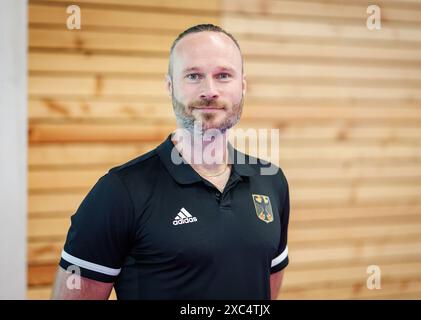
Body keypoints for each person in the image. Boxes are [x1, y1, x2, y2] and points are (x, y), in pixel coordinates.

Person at [51, 24, 290, 300]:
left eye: (223, 75)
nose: (209, 90)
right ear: (170, 85)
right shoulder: (118, 192)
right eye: (193, 76)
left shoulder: (271, 180)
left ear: (243, 85)